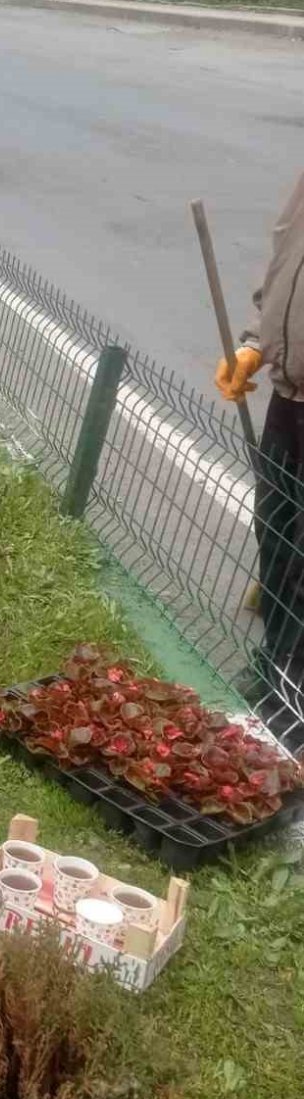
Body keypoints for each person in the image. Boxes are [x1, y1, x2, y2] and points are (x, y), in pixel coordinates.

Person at [216, 173, 304, 730]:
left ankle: (293, 695)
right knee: (274, 533)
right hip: (288, 394)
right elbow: (285, 266)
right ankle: (276, 662)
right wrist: (254, 344)